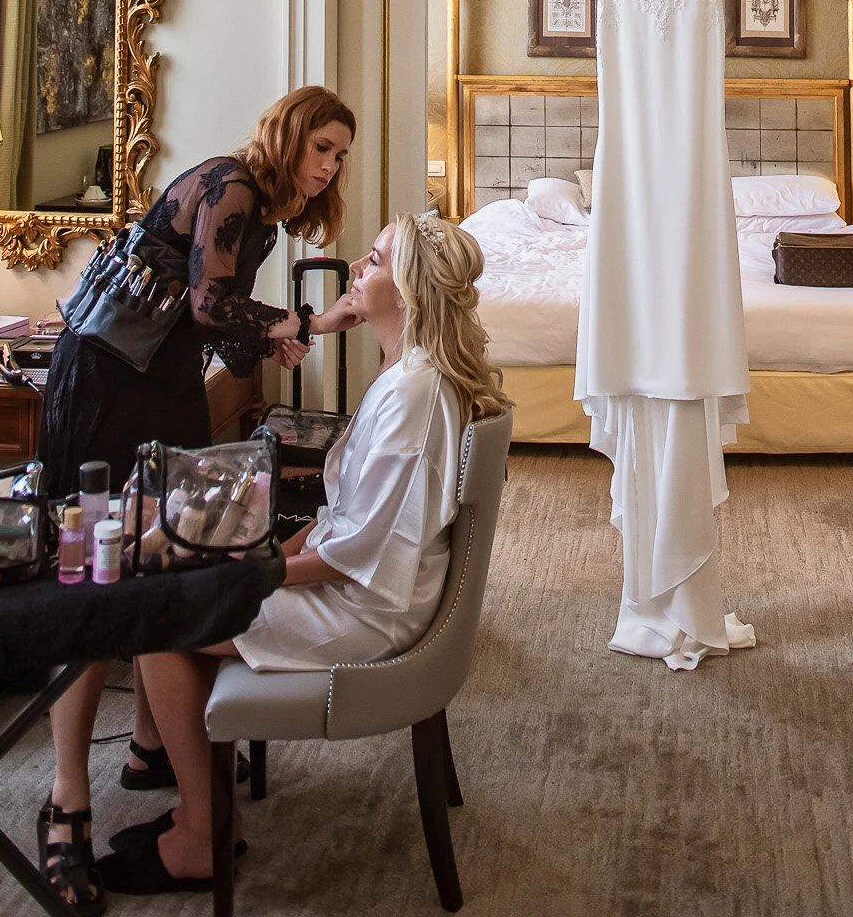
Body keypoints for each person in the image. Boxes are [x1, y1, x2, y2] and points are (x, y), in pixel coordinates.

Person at [99, 210, 509, 897]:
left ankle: (204, 835)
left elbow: (361, 550)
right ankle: (200, 791)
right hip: (363, 581)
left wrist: (251, 572)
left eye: (374, 261)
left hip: (367, 609)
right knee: (185, 581)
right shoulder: (403, 371)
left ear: (408, 289)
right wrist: (261, 550)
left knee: (158, 614)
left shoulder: (413, 395)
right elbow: (343, 521)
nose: (355, 268)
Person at [36, 86, 357, 912]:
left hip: (164, 382)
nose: (329, 167)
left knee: (165, 556)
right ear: (288, 136)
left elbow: (208, 321)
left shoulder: (261, 212)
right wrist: (299, 324)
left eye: (339, 155)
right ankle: (65, 800)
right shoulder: (232, 186)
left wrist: (271, 337)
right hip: (105, 381)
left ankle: (148, 746)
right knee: (93, 574)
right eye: (321, 147)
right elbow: (211, 301)